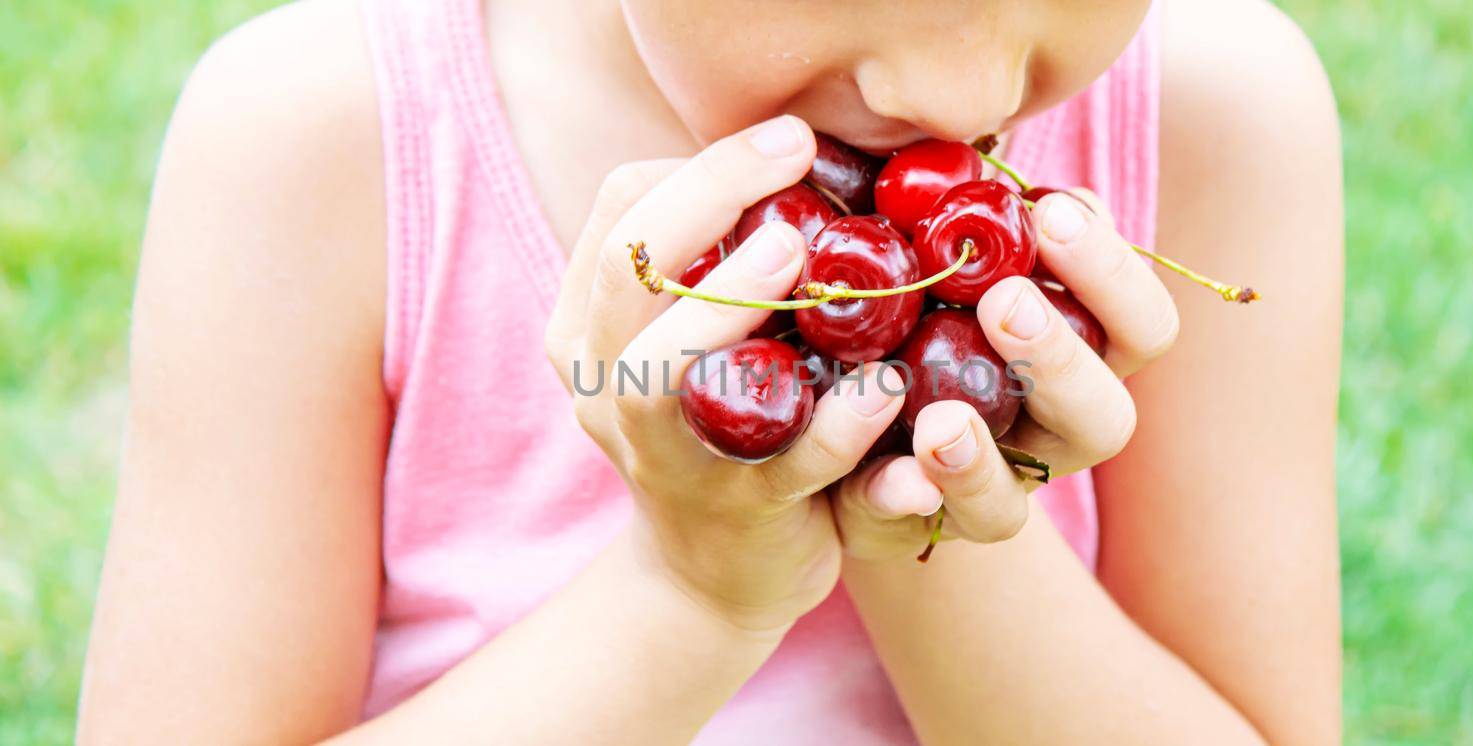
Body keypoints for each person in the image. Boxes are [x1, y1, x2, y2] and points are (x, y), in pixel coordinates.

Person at [78, 0, 1344, 742]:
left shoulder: (1212, 116)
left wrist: (930, 491)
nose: (959, 91)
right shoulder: (320, 142)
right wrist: (689, 588)